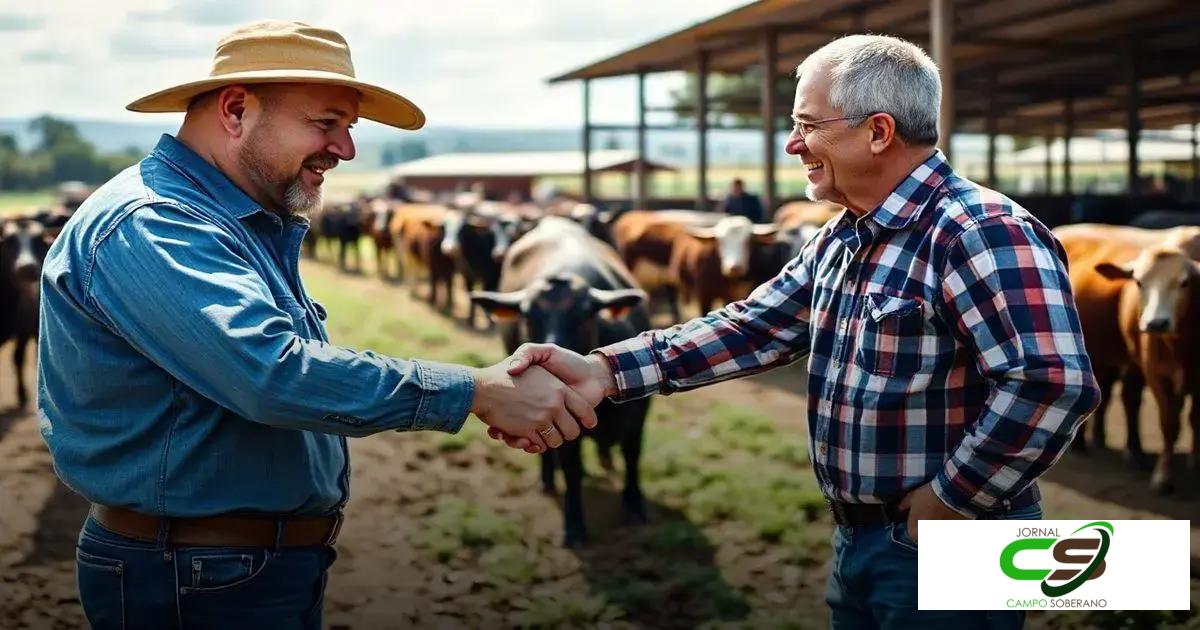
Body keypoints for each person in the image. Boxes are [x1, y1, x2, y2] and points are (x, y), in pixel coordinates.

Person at [498, 34, 1101, 629]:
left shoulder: (979, 231)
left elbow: (1050, 382)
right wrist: (605, 371)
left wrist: (952, 499)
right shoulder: (843, 234)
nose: (793, 144)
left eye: (808, 125)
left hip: (952, 539)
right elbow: (753, 327)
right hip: (863, 538)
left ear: (878, 131)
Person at [39, 21, 586, 629]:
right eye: (326, 123)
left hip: (225, 565)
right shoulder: (156, 223)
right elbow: (271, 375)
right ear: (236, 109)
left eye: (349, 129)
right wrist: (477, 391)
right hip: (194, 575)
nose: (345, 150)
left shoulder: (234, 221)